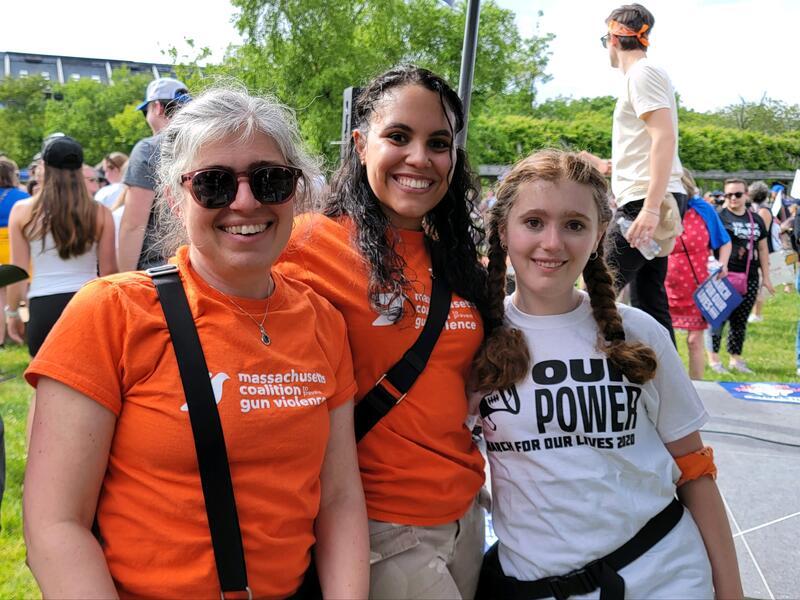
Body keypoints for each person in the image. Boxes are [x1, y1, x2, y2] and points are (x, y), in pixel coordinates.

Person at [22, 87, 369, 598]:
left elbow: (339, 497)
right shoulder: (111, 313)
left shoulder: (322, 320)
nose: (245, 201)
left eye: (271, 180)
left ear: (296, 191)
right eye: (213, 184)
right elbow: (55, 525)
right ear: (174, 199)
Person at [472, 149, 742, 600]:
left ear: (599, 235)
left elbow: (694, 471)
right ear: (503, 231)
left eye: (575, 225)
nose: (553, 242)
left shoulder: (639, 332)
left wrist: (730, 593)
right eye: (534, 222)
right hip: (537, 586)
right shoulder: (472, 341)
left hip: (667, 576)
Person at [277, 64, 488, 599]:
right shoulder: (303, 246)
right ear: (360, 143)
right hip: (380, 531)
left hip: (467, 518)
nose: (420, 158)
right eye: (398, 136)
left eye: (438, 143)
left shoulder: (459, 261)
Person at [601, 3, 688, 345]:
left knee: (600, 286)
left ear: (611, 39)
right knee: (649, 299)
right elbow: (648, 145)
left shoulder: (641, 74)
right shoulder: (644, 75)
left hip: (646, 200)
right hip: (649, 195)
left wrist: (651, 209)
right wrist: (603, 166)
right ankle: (668, 385)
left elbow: (663, 136)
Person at [5, 136, 117, 357]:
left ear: (44, 167)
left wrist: (13, 313)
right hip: (88, 303)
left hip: (43, 305)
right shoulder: (100, 213)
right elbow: (109, 272)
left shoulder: (22, 210)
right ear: (79, 168)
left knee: (44, 386)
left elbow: (18, 271)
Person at [117, 77, 190, 271]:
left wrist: (126, 279)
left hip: (161, 271)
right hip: (206, 267)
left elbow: (133, 225)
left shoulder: (148, 149)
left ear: (157, 107)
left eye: (145, 111)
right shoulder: (207, 144)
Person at [665, 170, 731, 379]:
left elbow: (724, 240)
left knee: (694, 342)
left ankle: (698, 390)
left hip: (698, 288)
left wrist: (723, 264)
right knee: (664, 342)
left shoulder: (703, 209)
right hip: (666, 288)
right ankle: (669, 389)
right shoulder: (662, 209)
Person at [707, 179, 774, 374]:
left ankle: (735, 359)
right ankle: (714, 359)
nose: (732, 199)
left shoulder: (756, 219)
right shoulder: (720, 217)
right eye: (728, 195)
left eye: (737, 194)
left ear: (746, 195)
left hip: (749, 276)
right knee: (718, 319)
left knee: (740, 319)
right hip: (723, 275)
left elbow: (762, 248)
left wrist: (766, 277)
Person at [0, 157, 31, 346]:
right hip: (15, 246)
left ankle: (0, 341)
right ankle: (35, 335)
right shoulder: (22, 198)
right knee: (26, 289)